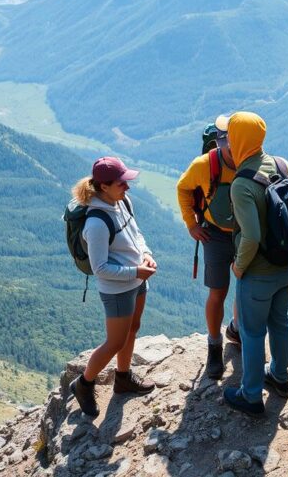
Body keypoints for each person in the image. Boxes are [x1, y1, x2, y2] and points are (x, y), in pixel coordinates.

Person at [68, 157, 157, 418]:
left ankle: (123, 378)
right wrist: (136, 271)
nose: (127, 187)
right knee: (115, 342)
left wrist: (146, 254)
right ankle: (84, 384)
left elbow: (136, 235)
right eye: (121, 183)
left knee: (133, 328)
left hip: (138, 279)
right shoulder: (96, 223)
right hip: (117, 289)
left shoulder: (122, 202)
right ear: (104, 187)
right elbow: (100, 268)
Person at [222, 112, 288, 417]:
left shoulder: (242, 183)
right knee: (280, 322)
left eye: (230, 136)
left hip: (258, 272)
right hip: (287, 265)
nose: (228, 143)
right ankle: (279, 376)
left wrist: (239, 267)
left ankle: (251, 396)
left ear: (238, 140)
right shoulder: (282, 164)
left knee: (252, 333)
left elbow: (251, 236)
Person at [176, 117, 239, 379]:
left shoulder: (253, 160)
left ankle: (238, 330)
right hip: (215, 235)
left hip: (245, 235)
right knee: (218, 292)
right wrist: (191, 224)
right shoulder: (204, 165)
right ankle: (214, 346)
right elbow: (183, 188)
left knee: (246, 287)